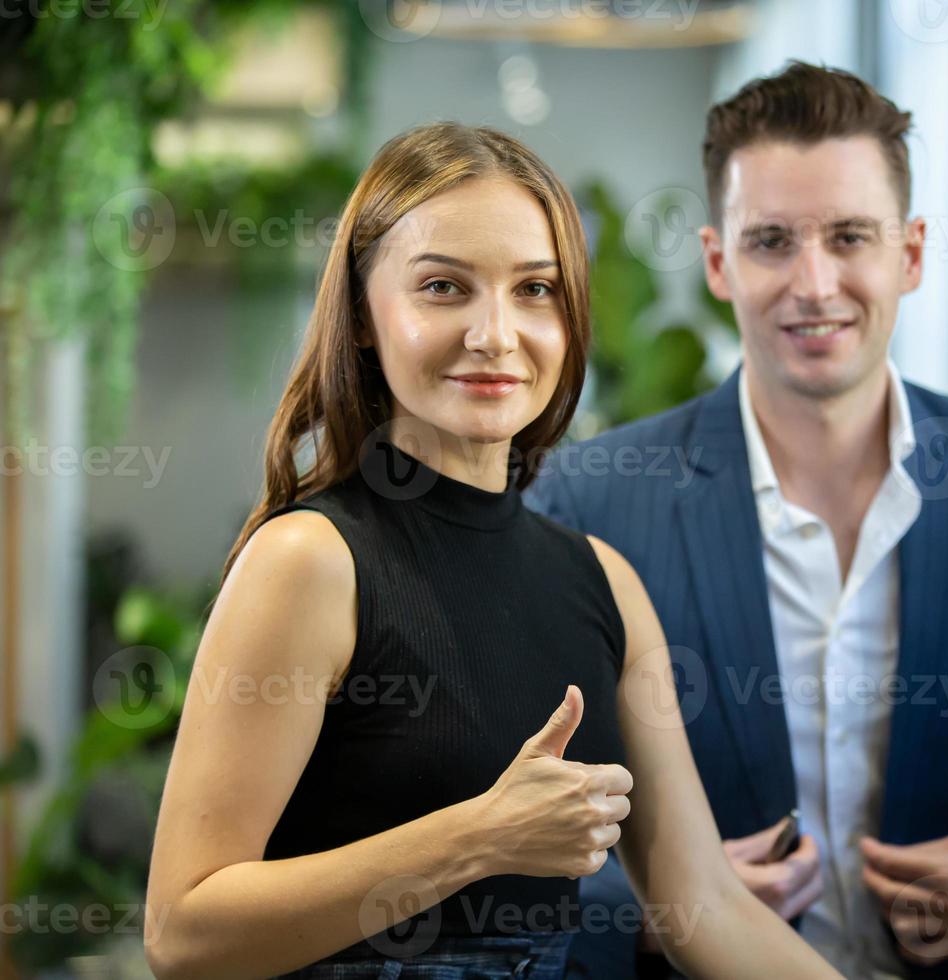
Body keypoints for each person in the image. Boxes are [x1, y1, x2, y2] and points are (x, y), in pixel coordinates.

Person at [525, 62, 948, 979]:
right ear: (719, 261)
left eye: (849, 236)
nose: (815, 282)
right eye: (771, 242)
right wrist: (668, 910)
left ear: (909, 254)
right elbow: (514, 806)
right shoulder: (594, 496)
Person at [143, 122, 843, 980]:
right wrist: (479, 837)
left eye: (536, 290)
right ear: (364, 317)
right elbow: (183, 933)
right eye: (444, 287)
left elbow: (709, 909)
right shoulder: (310, 561)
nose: (496, 335)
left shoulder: (605, 584)